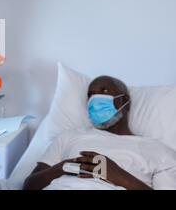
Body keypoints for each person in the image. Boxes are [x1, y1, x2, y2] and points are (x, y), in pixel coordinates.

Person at [23, 76, 176, 190]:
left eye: (104, 91)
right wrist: (63, 167)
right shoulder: (69, 136)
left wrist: (118, 176)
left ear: (124, 101)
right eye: (90, 94)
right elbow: (29, 186)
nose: (94, 99)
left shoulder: (158, 150)